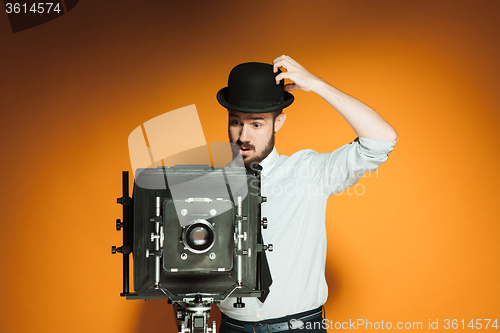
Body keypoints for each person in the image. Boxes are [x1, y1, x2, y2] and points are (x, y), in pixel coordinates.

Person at [215, 55, 398, 333]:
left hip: (298, 328)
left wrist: (317, 84)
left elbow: (381, 140)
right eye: (236, 122)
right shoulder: (210, 186)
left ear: (278, 123)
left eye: (256, 124)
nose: (243, 136)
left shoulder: (309, 171)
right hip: (231, 327)